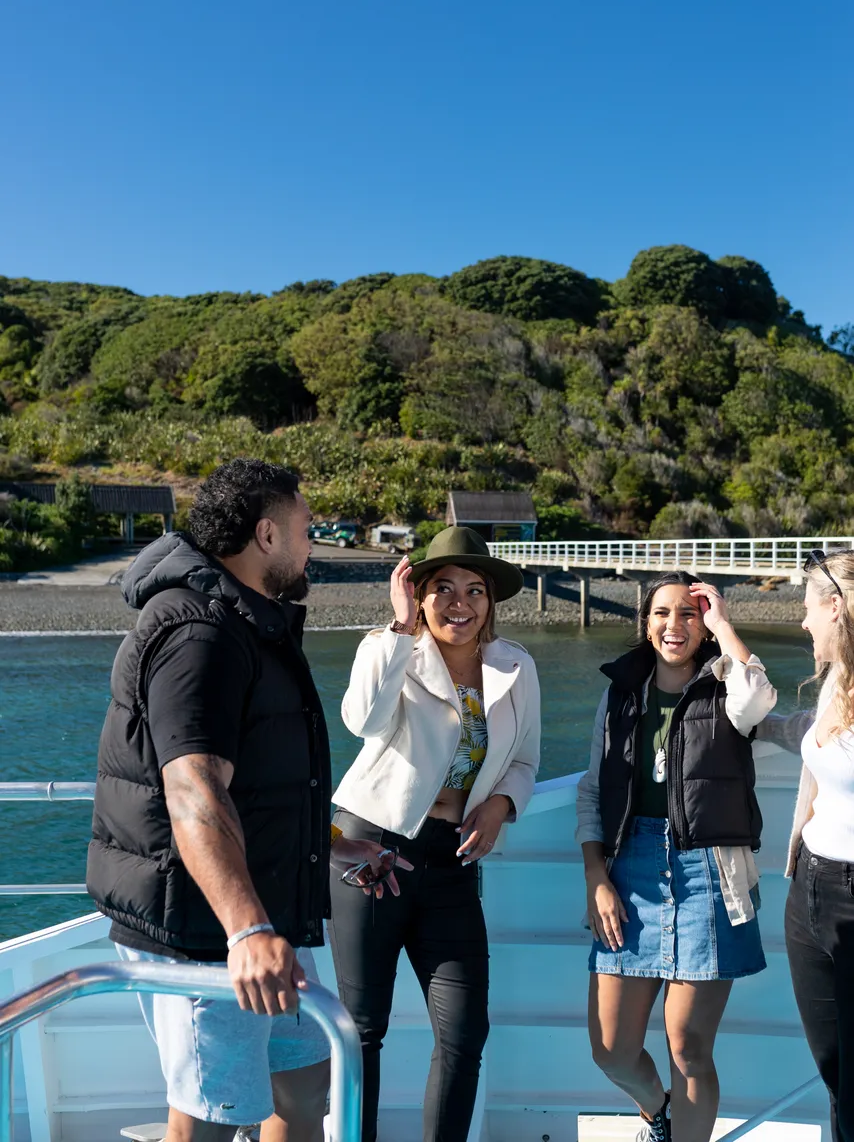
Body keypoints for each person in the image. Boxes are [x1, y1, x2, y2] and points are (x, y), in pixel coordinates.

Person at [86, 458, 402, 1142]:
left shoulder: (246, 622)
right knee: (209, 1117)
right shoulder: (199, 632)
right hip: (206, 928)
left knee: (304, 1085)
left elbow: (257, 780)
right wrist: (247, 931)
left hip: (258, 911)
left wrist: (334, 845)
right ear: (266, 535)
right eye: (306, 528)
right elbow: (193, 787)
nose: (312, 543)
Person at [328, 525, 542, 1142]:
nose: (460, 603)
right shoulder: (388, 649)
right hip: (373, 852)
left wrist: (501, 805)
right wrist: (397, 630)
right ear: (419, 597)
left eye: (474, 590)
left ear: (490, 602)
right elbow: (361, 720)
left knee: (464, 1030)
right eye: (442, 588)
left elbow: (525, 759)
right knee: (363, 1028)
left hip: (452, 861)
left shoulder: (515, 666)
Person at [576, 571, 777, 1142]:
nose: (675, 625)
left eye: (688, 614)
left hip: (708, 871)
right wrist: (597, 876)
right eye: (662, 613)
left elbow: (759, 698)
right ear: (645, 623)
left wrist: (724, 624)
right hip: (629, 867)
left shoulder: (725, 687)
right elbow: (593, 791)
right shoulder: (620, 695)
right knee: (612, 1049)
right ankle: (657, 1113)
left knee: (688, 1046)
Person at [757, 549, 854, 1142]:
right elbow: (815, 737)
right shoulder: (836, 683)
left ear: (836, 607)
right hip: (811, 890)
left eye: (806, 608)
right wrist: (754, 720)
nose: (801, 622)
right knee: (836, 1072)